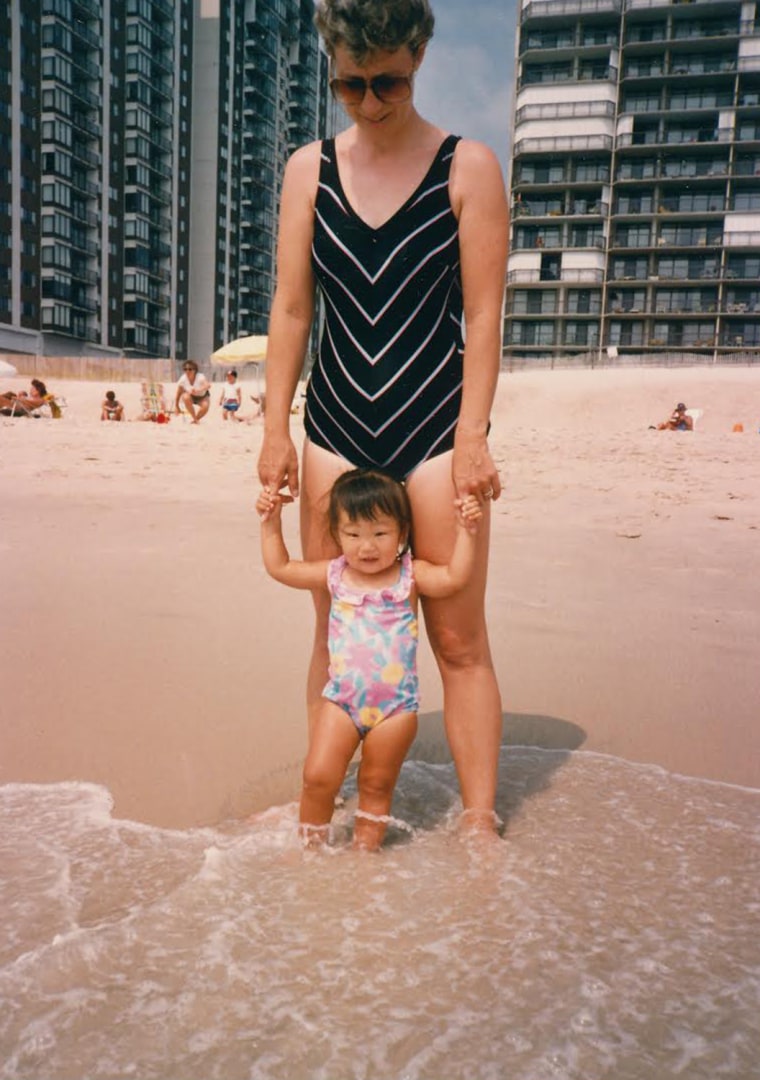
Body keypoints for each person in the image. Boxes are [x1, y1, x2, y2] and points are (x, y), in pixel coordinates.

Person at [257, 0, 509, 837]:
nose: (369, 102)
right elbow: (292, 311)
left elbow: (483, 316)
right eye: (351, 85)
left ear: (421, 55)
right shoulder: (308, 171)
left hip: (436, 426)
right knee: (337, 635)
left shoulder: (467, 168)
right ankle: (324, 807)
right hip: (333, 425)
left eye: (389, 81)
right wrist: (273, 430)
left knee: (459, 637)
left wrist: (473, 437)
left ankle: (478, 817)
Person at [257, 467, 484, 850]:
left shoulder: (410, 576)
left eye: (380, 533)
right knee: (317, 777)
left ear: (402, 534)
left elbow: (455, 578)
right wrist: (270, 522)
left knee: (376, 785)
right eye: (353, 534)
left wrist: (467, 532)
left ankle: (365, 858)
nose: (367, 546)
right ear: (337, 535)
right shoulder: (335, 574)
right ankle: (308, 850)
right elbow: (281, 568)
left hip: (395, 710)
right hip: (342, 701)